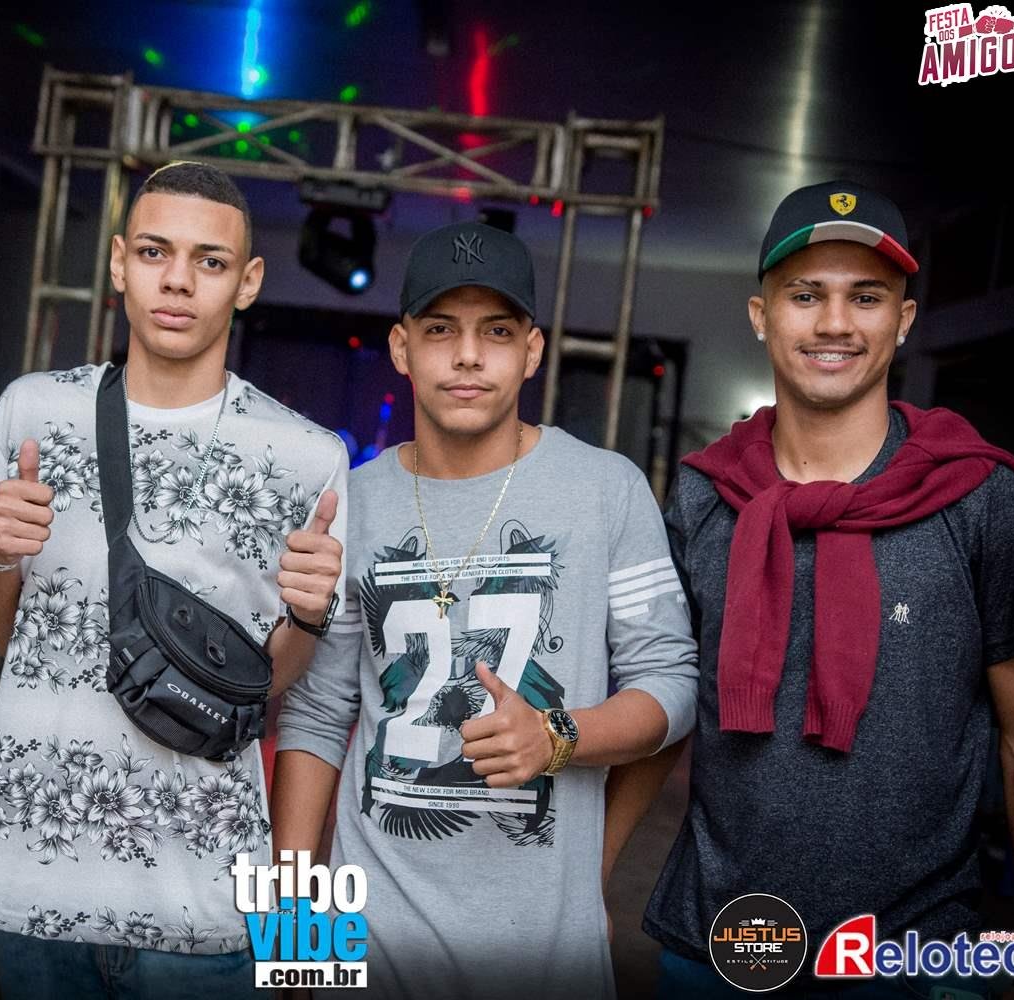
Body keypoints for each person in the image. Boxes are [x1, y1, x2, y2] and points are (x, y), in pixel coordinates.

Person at [631, 180, 1014, 998]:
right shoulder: (703, 496)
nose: (833, 323)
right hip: (721, 944)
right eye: (805, 295)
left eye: (866, 296)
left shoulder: (979, 497)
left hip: (914, 953)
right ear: (761, 316)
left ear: (904, 319)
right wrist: (582, 887)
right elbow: (665, 706)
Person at [0, 160, 348, 1000]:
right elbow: (2, 636)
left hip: (203, 887)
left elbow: (268, 684)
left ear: (248, 282)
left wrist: (308, 618)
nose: (178, 280)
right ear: (119, 262)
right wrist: (6, 560)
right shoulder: (33, 412)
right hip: (37, 871)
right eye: (156, 252)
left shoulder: (306, 456)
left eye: (210, 261)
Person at [272, 220, 699, 1000]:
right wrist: (292, 931)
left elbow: (672, 685)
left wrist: (558, 735)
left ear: (532, 351)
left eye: (496, 331)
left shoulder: (606, 490)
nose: (468, 355)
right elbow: (316, 714)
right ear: (401, 348)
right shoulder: (351, 502)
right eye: (441, 329)